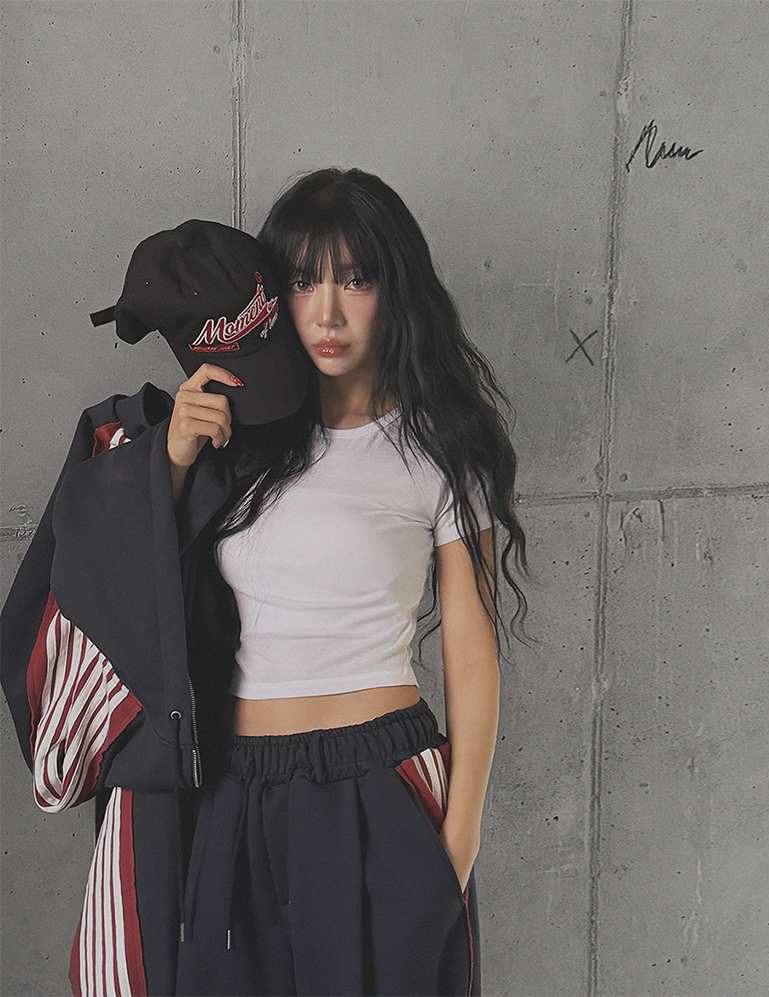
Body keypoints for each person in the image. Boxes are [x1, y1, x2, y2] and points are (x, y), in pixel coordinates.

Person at [0, 168, 531, 997]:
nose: (328, 312)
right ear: (273, 296)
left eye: (356, 279)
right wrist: (173, 463)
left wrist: (457, 843)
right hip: (231, 788)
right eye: (305, 281)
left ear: (395, 288)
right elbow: (126, 595)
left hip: (380, 784)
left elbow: (471, 650)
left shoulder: (439, 447)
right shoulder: (236, 440)